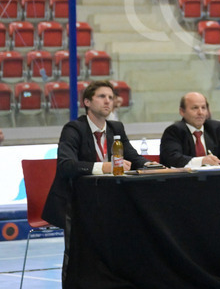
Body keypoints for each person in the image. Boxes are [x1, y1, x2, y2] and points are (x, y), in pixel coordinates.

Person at [42, 80, 149, 227]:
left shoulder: (116, 128)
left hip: (109, 197)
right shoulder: (73, 129)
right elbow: (66, 166)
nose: (107, 101)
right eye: (102, 96)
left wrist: (150, 165)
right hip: (77, 200)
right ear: (87, 102)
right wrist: (105, 167)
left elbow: (133, 157)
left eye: (111, 98)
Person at [159, 92, 220, 168]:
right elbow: (173, 159)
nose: (200, 112)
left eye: (203, 108)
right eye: (195, 108)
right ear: (182, 112)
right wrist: (202, 161)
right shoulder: (174, 131)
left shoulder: (215, 128)